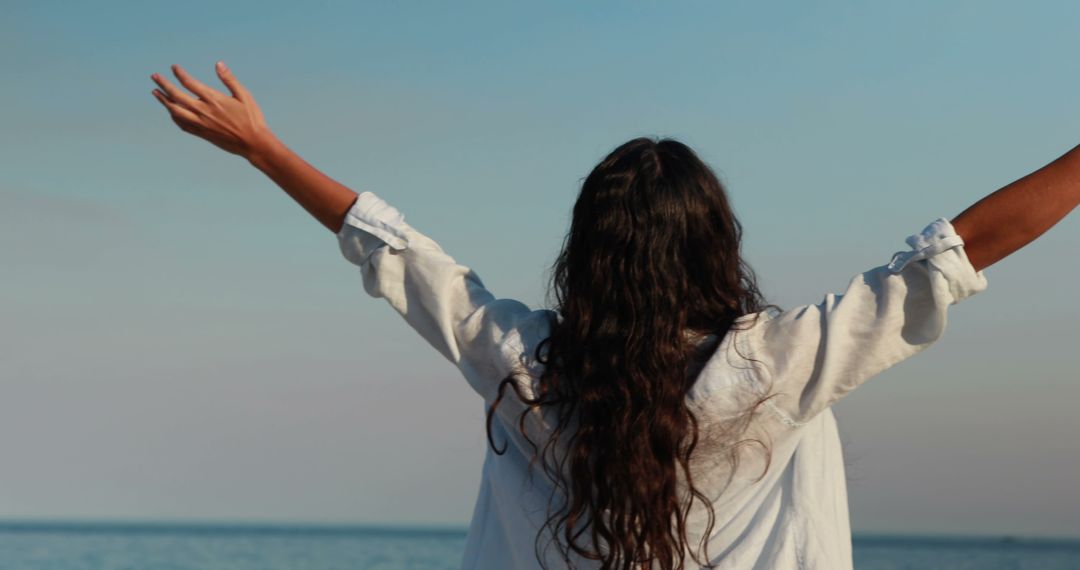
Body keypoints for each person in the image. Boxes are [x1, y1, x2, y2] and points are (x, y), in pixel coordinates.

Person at [150, 62, 1076, 570]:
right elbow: (957, 252)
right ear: (717, 243)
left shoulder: (525, 365)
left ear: (588, 255)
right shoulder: (782, 365)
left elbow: (398, 254)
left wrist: (265, 149)